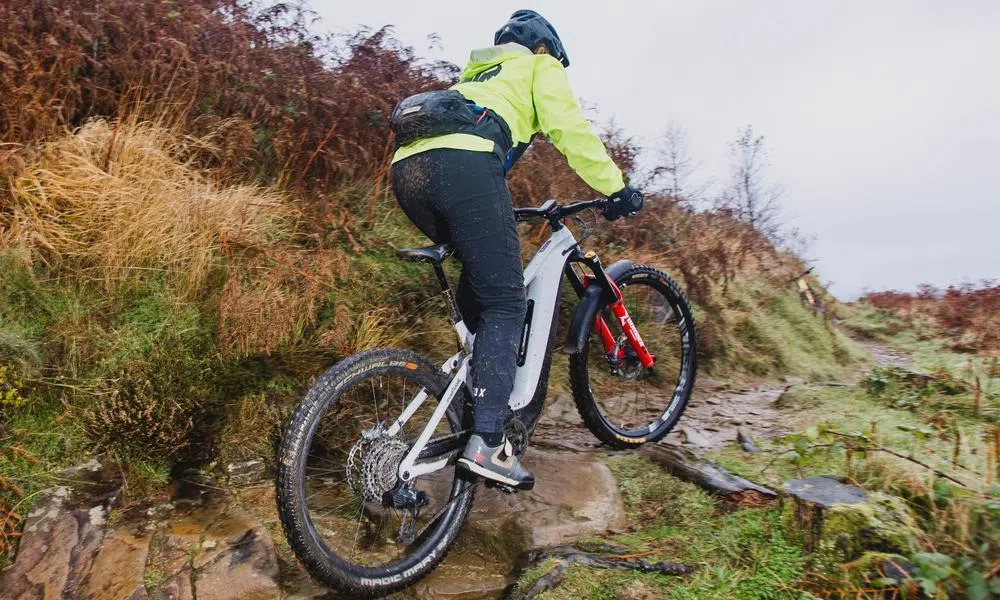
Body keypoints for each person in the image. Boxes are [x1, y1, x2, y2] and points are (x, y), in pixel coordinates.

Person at [390, 10, 643, 490]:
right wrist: (616, 186)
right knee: (506, 302)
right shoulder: (538, 64)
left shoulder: (479, 74)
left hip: (409, 172)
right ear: (546, 48)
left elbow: (496, 154)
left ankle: (470, 399)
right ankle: (488, 442)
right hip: (461, 167)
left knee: (482, 290)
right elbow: (569, 127)